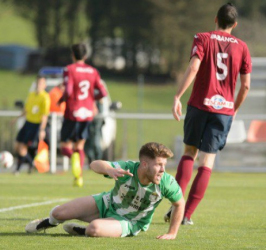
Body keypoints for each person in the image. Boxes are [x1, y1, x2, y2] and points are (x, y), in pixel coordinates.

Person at [165, 3, 251, 225]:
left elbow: (194, 68)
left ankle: (176, 206)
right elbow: (246, 86)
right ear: (235, 24)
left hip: (199, 105)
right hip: (223, 111)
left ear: (215, 19)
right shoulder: (242, 47)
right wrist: (234, 108)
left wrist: (177, 96)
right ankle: (187, 215)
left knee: (189, 153)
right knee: (207, 162)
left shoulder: (202, 38)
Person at [25, 142, 184, 239]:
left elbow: (179, 204)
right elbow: (95, 164)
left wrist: (172, 233)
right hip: (106, 203)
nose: (163, 169)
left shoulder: (166, 183)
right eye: (159, 164)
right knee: (59, 213)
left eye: (164, 164)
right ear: (143, 164)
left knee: (95, 229)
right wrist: (108, 170)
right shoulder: (127, 168)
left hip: (130, 221)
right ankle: (48, 222)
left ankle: (85, 231)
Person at [59, 43, 107, 187]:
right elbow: (103, 93)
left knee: (64, 146)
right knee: (79, 146)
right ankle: (78, 177)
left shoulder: (69, 69)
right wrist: (92, 99)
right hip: (87, 113)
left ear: (72, 54)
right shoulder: (93, 71)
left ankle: (73, 160)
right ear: (85, 56)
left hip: (72, 111)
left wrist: (61, 100)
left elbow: (68, 91)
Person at [14, 76, 50, 175]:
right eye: (38, 83)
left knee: (22, 148)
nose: (39, 85)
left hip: (35, 125)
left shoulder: (45, 97)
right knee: (17, 146)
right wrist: (16, 119)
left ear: (44, 85)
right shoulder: (31, 95)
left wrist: (42, 129)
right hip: (27, 123)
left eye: (41, 83)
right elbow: (26, 109)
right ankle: (31, 164)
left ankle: (18, 169)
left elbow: (44, 115)